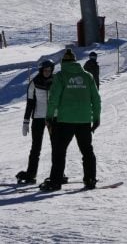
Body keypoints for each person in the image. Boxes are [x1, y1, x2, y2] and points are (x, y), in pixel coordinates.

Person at [39, 49, 101, 191]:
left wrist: (48, 117)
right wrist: (96, 118)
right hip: (84, 120)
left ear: (63, 63)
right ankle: (90, 179)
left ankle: (55, 181)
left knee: (59, 151)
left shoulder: (60, 76)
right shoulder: (88, 76)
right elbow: (96, 99)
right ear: (75, 61)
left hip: (65, 121)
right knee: (87, 151)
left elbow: (53, 99)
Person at [15, 59, 55, 185]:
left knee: (57, 147)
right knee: (35, 148)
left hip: (53, 118)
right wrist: (26, 121)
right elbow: (30, 103)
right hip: (38, 119)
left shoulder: (56, 81)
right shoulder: (34, 83)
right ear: (41, 70)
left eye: (49, 70)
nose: (47, 72)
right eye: (45, 70)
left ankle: (58, 173)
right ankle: (31, 174)